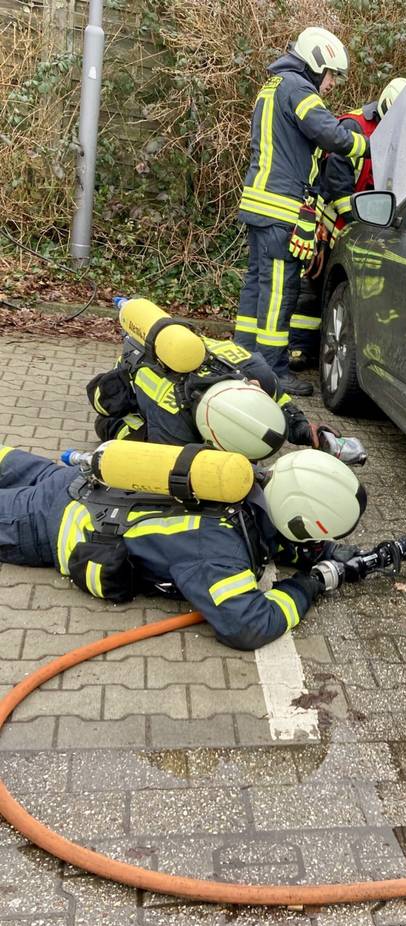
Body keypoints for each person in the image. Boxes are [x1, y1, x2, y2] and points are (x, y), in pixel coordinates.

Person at [0, 445, 364, 651]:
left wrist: (321, 553)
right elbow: (248, 624)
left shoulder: (240, 481)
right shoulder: (219, 550)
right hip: (50, 522)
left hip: (79, 482)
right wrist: (309, 585)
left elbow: (272, 532)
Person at [234, 27, 370, 396]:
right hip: (280, 209)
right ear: (315, 64)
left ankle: (243, 359)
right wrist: (369, 146)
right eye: (331, 76)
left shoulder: (274, 86)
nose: (331, 85)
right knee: (280, 291)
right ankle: (272, 373)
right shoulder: (298, 88)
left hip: (259, 204)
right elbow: (330, 134)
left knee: (256, 288)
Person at [87, 331, 367, 464]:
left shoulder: (259, 373)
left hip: (187, 358)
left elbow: (281, 405)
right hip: (131, 386)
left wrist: (306, 431)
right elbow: (180, 470)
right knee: (128, 439)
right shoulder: (172, 417)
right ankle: (111, 422)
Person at [288, 77, 406, 371]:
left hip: (367, 225)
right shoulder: (354, 127)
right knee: (313, 287)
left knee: (339, 290)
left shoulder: (401, 136)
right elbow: (336, 186)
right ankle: (299, 348)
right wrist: (355, 221)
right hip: (334, 221)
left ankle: (325, 349)